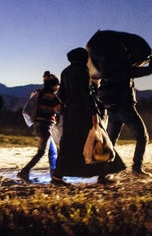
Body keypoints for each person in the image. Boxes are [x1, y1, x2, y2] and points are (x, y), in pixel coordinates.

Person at [52, 47, 125, 185]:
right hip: (83, 113)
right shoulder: (82, 70)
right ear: (82, 58)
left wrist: (68, 105)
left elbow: (61, 94)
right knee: (97, 141)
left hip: (70, 114)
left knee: (69, 144)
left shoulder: (65, 72)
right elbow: (87, 93)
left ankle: (57, 177)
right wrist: (93, 112)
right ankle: (103, 175)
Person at [98, 55, 152, 176]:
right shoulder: (125, 69)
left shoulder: (104, 72)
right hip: (126, 109)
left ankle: (103, 172)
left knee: (111, 142)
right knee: (142, 136)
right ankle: (137, 168)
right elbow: (151, 69)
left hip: (112, 110)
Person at [17, 71, 61, 183]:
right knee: (41, 151)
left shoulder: (40, 93)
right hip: (45, 126)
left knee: (52, 150)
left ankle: (54, 175)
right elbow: (60, 108)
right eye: (57, 85)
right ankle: (24, 172)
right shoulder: (51, 96)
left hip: (39, 125)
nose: (57, 88)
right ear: (53, 85)